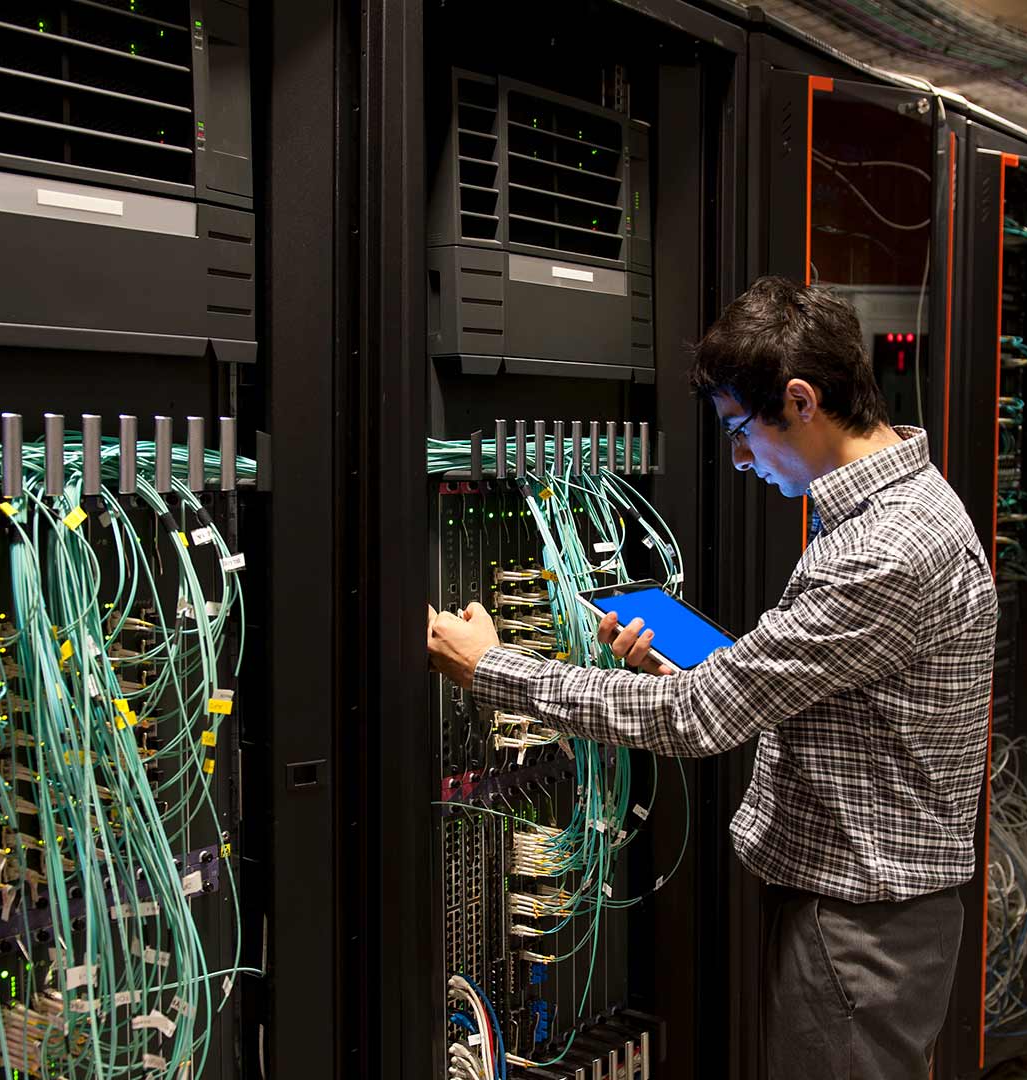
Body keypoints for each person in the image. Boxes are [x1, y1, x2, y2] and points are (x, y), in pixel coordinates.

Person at [426, 275, 997, 1079]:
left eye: (739, 429)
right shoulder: (910, 499)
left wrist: (491, 669)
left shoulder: (881, 551)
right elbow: (833, 682)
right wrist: (699, 664)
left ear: (800, 400)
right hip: (875, 915)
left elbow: (699, 717)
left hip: (859, 932)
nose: (735, 458)